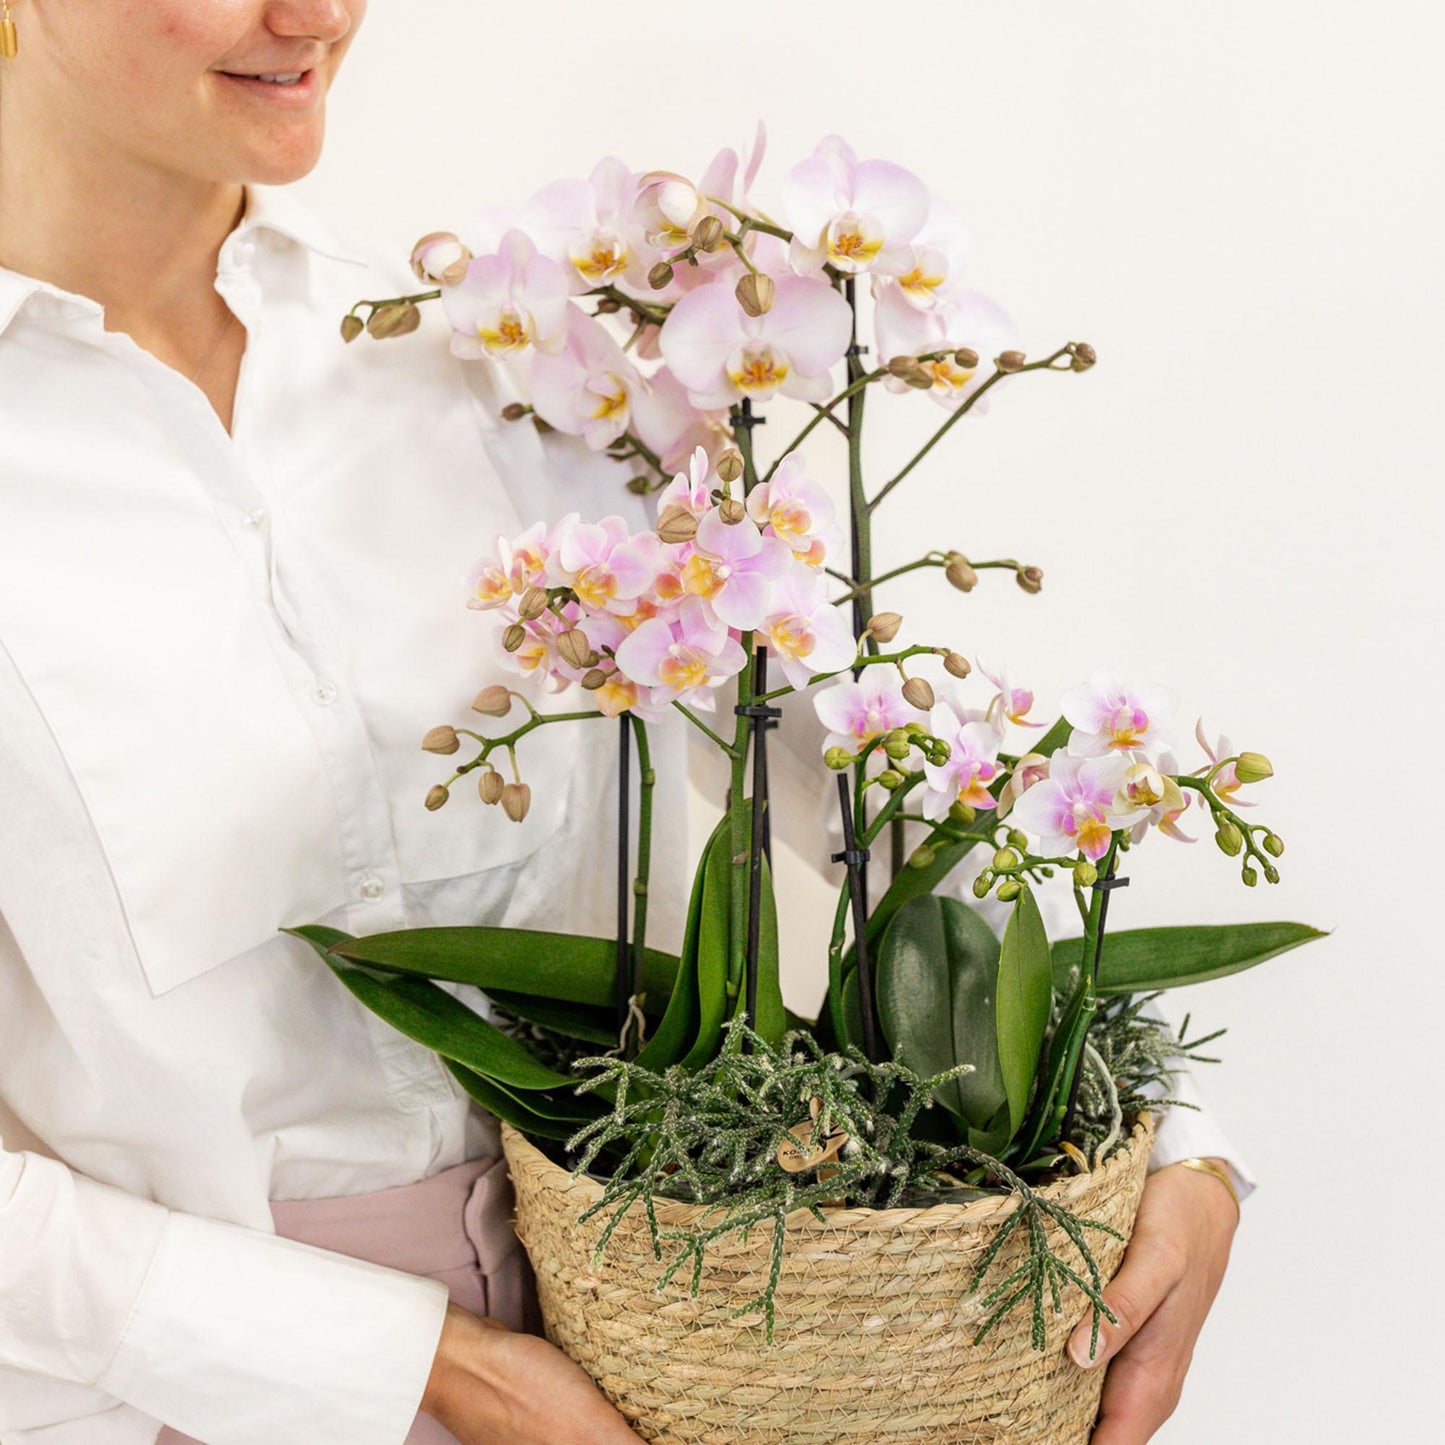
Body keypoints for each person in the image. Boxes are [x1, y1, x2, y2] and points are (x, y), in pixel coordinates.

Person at [0, 4, 1246, 1444]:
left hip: (677, 1353)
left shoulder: (496, 358)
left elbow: (874, 786)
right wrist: (421, 1366)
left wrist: (1170, 1152)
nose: (320, 13)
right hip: (165, 1404)